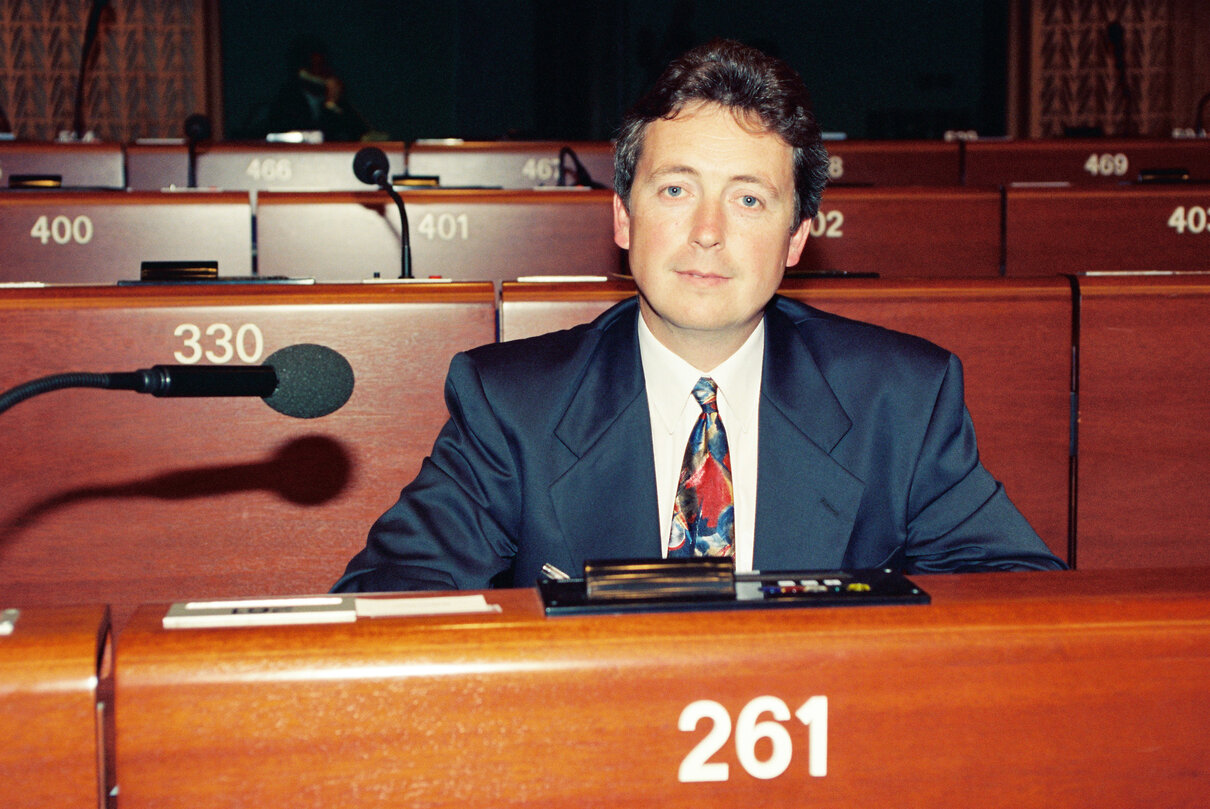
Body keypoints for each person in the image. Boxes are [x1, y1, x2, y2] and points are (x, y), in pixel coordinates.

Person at [333, 39, 1064, 592]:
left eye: (749, 199)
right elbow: (387, 602)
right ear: (622, 217)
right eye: (676, 190)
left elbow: (1018, 598)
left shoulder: (900, 399)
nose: (708, 231)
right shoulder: (512, 405)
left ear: (798, 237)